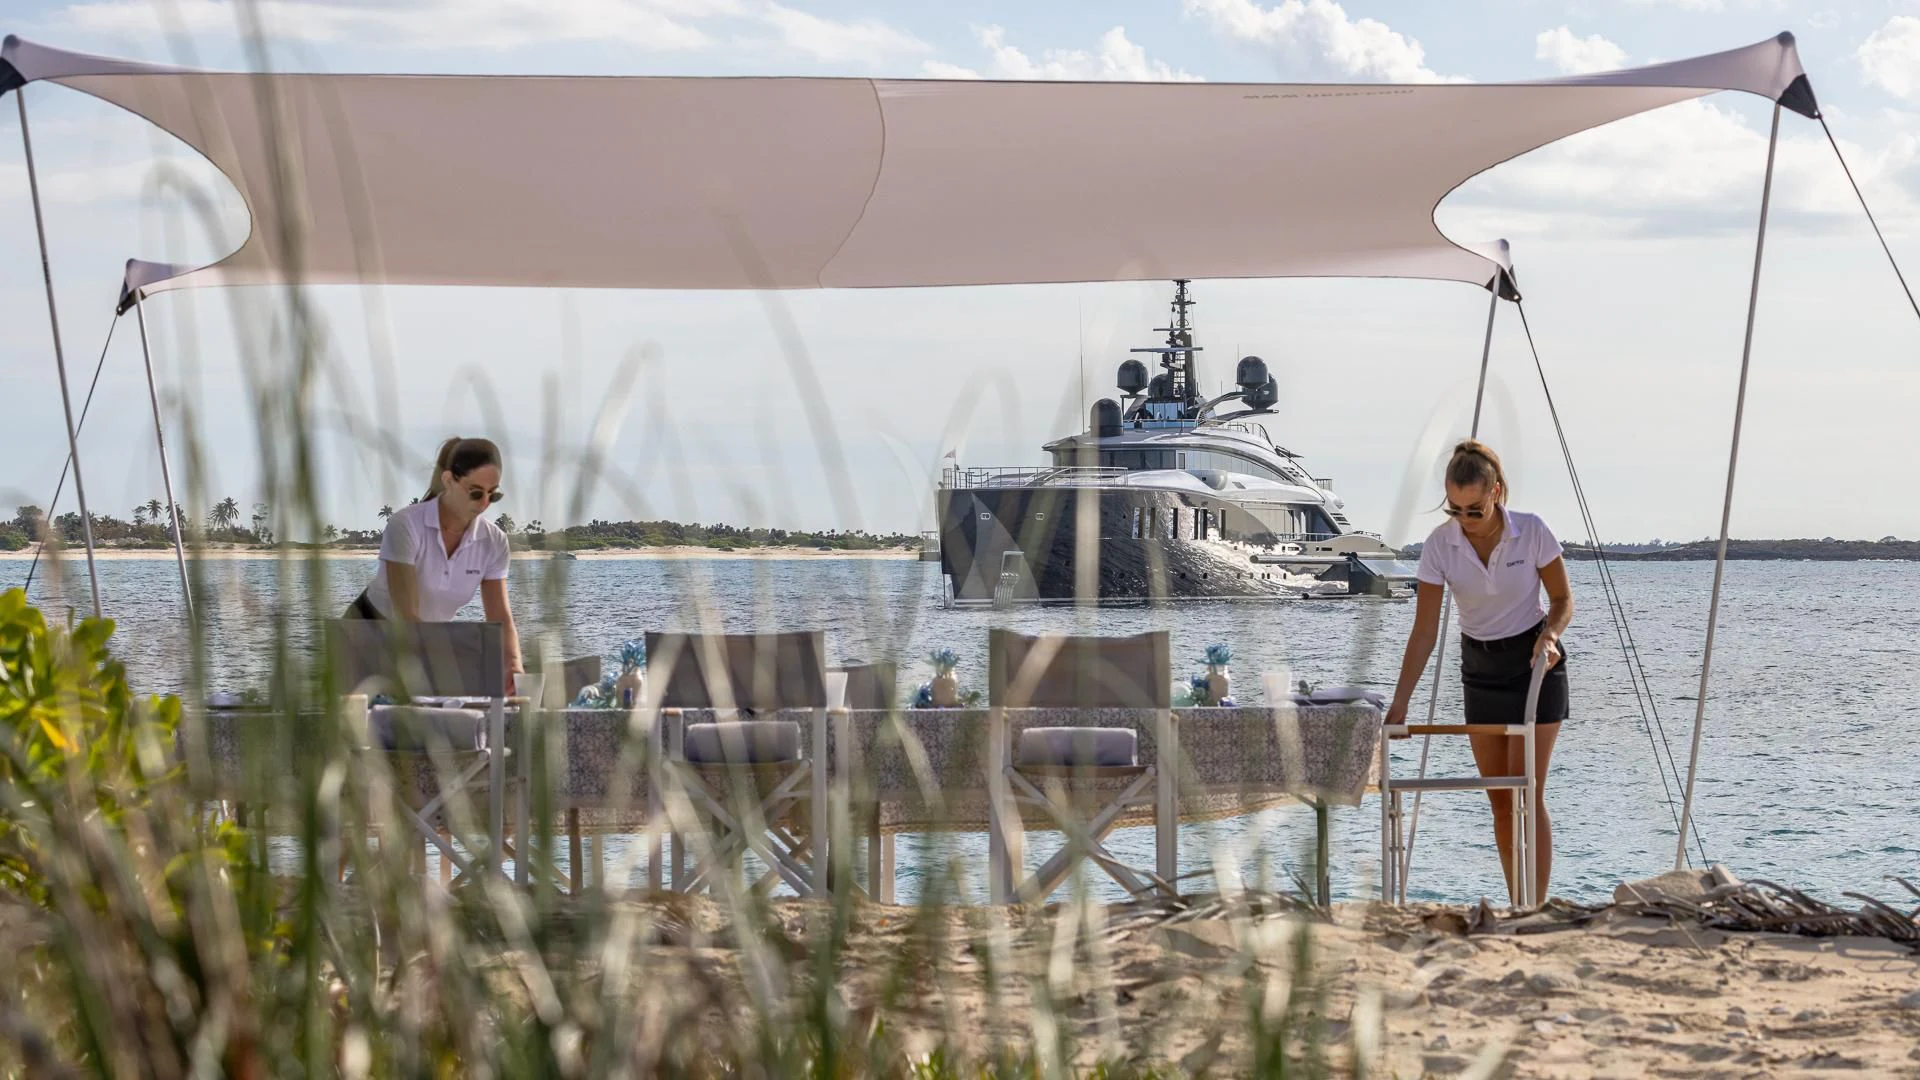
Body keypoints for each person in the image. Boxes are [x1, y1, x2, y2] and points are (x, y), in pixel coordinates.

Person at [1385, 439, 1573, 903]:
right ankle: (1517, 904)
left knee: (1528, 793)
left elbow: (1563, 600)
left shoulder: (1531, 532)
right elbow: (1424, 632)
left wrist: (1550, 635)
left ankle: (1536, 907)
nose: (1465, 520)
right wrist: (1400, 703)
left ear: (1497, 492)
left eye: (1474, 509)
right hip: (1480, 670)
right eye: (1456, 510)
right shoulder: (1439, 546)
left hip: (1535, 667)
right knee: (1502, 804)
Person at [345, 436, 522, 692]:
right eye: (475, 493)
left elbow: (501, 616)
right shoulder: (406, 526)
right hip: (367, 636)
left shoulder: (494, 542)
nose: (484, 503)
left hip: (423, 643)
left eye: (492, 495)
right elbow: (408, 617)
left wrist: (513, 663)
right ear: (449, 481)